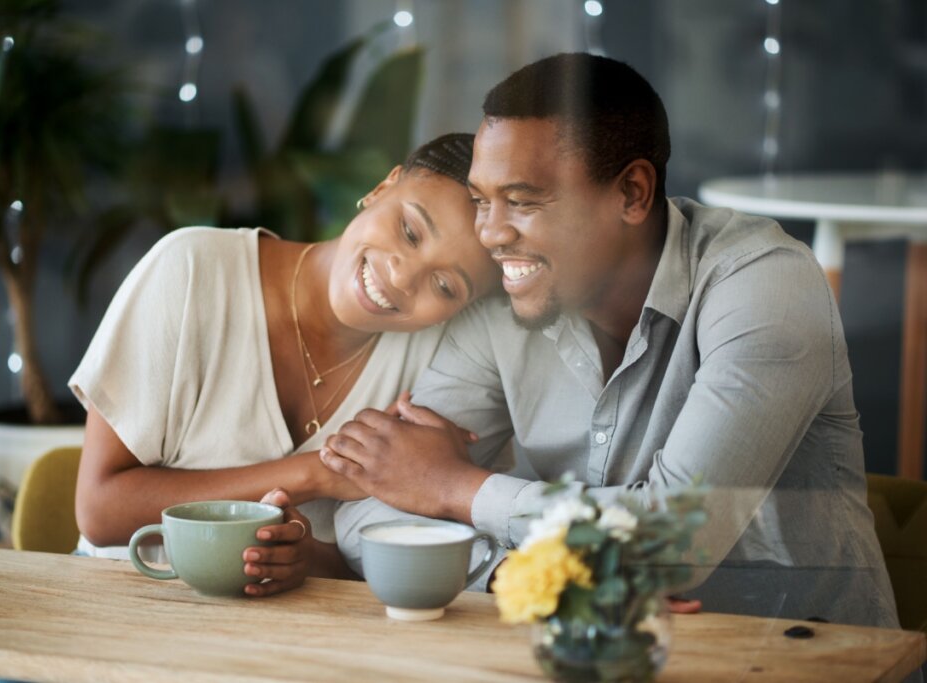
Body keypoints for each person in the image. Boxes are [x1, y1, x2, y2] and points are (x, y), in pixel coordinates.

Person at [323, 53, 900, 628]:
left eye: (523, 200)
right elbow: (370, 504)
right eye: (481, 200)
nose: (491, 233)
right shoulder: (503, 304)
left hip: (804, 657)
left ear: (632, 193)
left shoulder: (764, 282)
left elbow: (675, 541)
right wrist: (532, 581)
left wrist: (456, 488)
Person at [69, 133, 498, 596]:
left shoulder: (438, 363)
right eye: (410, 231)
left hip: (278, 641)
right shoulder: (192, 272)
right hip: (118, 602)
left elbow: (362, 563)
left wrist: (307, 558)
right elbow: (99, 511)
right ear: (381, 188)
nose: (402, 276)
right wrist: (317, 474)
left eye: (446, 286)